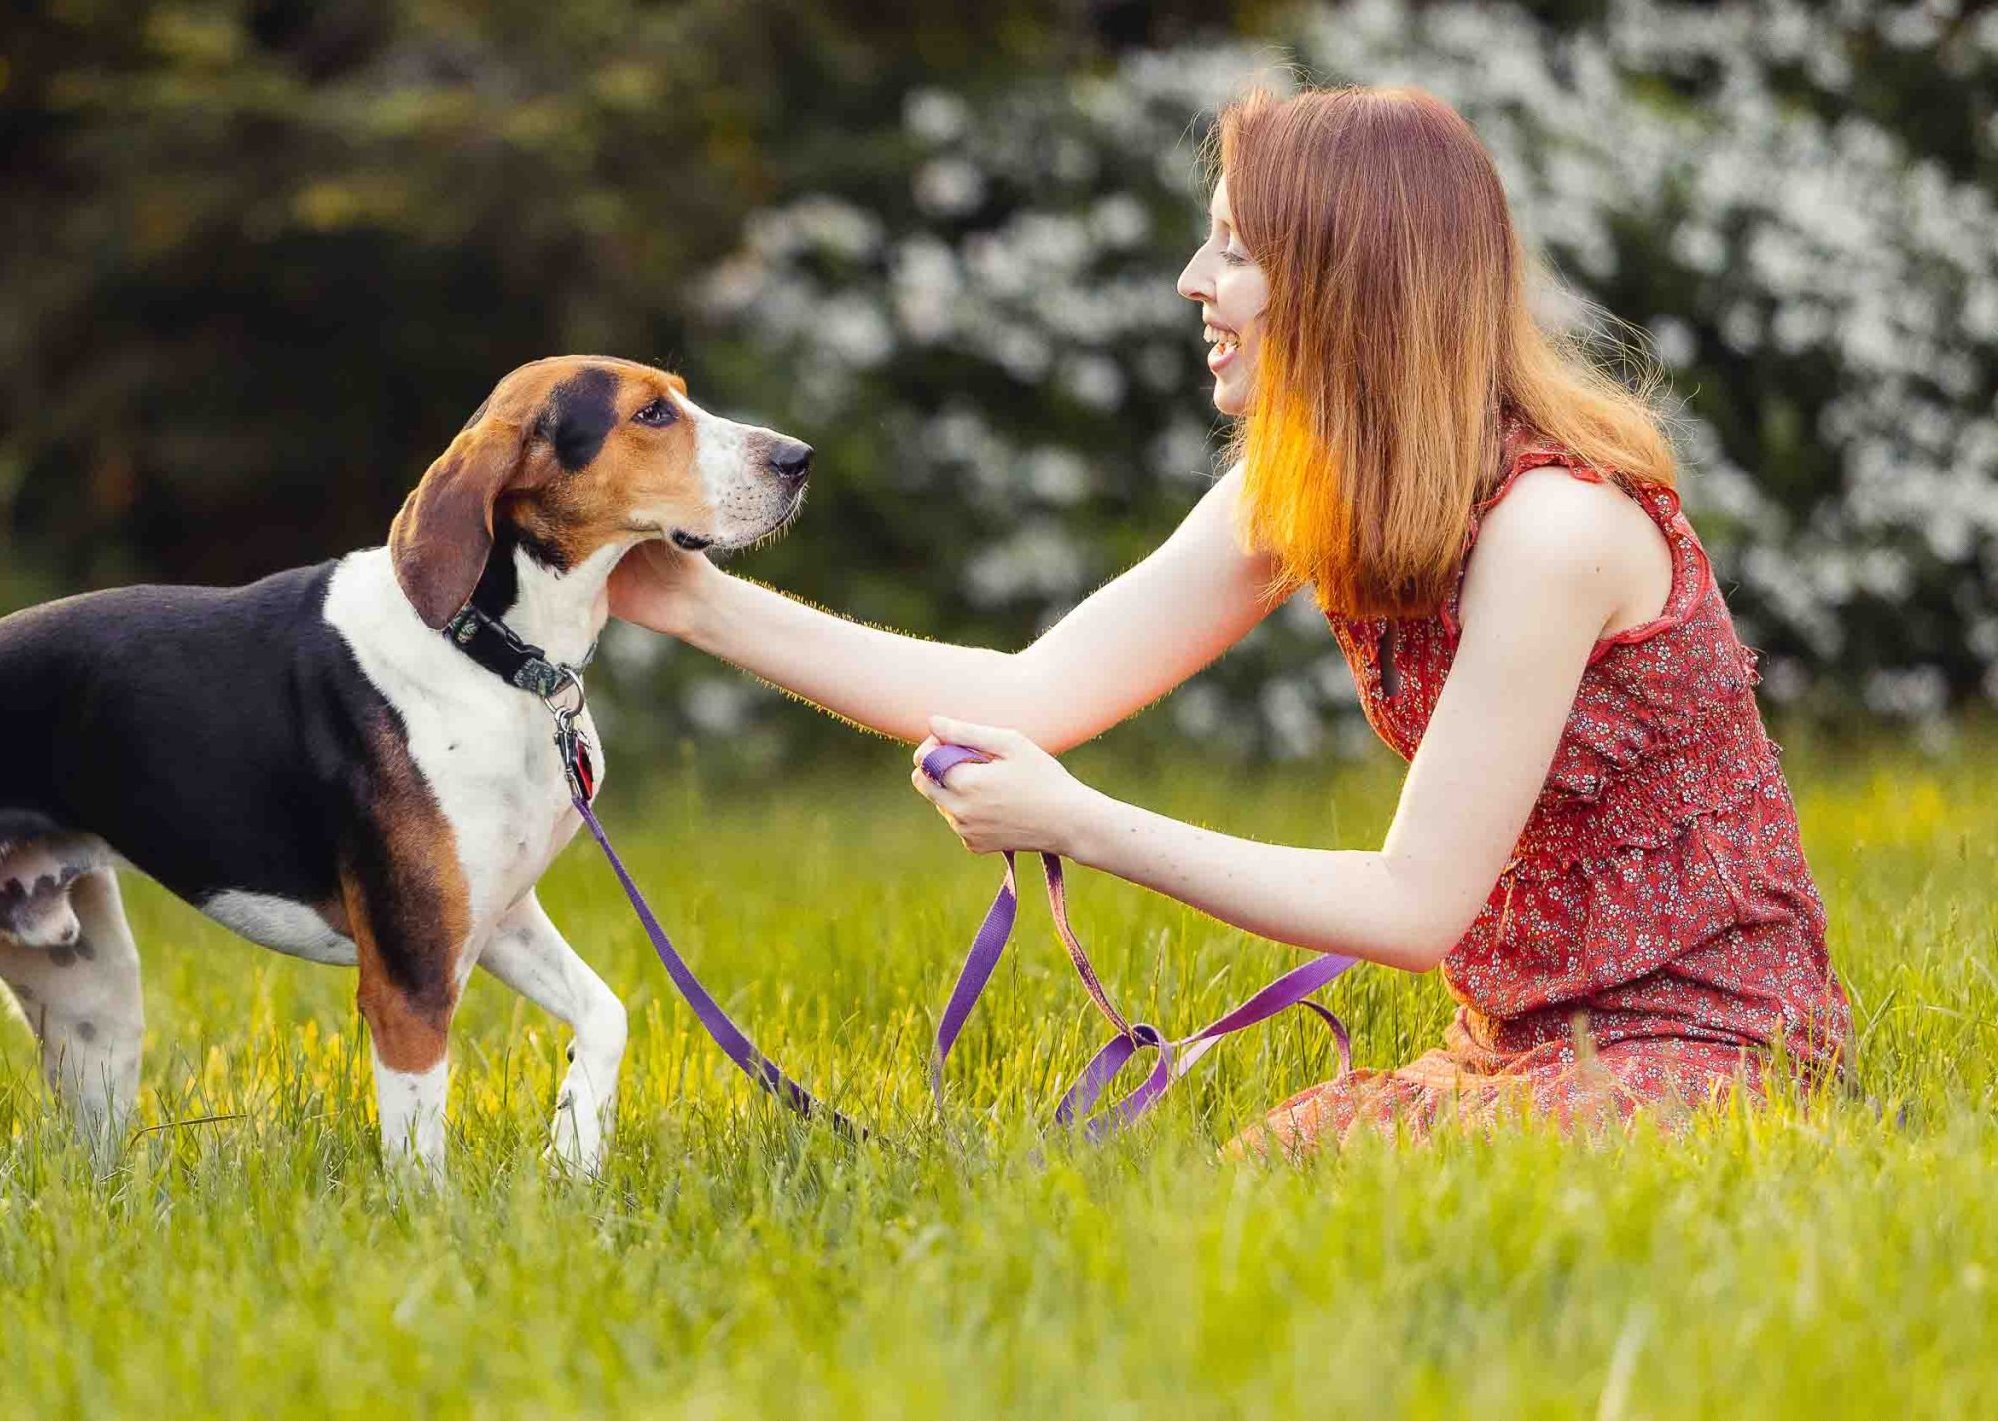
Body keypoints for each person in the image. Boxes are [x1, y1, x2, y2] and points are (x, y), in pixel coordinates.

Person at [607, 84, 1851, 1153]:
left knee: (1406, 1195)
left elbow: (1415, 908)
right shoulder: (1299, 483)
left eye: (1235, 252)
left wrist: (1083, 824)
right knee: (1270, 1170)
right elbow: (1031, 693)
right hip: (1515, 1041)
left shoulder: (1554, 531)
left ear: (1346, 278)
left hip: (1705, 1055)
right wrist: (689, 597)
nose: (1193, 282)